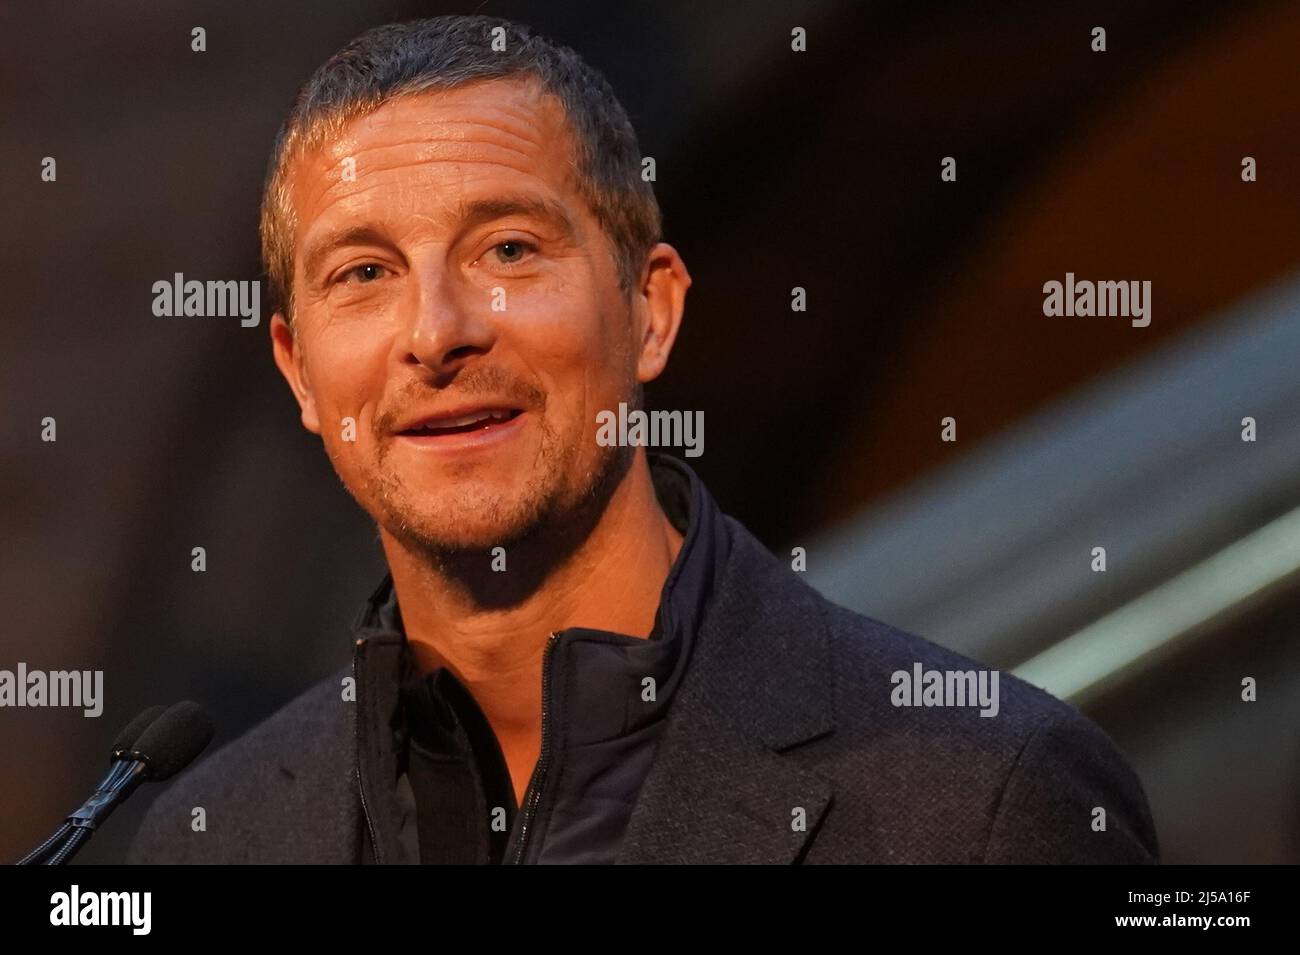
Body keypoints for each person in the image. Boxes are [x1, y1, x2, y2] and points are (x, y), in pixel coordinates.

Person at [127, 14, 1159, 864]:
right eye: (362, 273)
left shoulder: (986, 798)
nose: (437, 332)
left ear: (650, 310)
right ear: (300, 370)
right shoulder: (209, 835)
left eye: (510, 248)